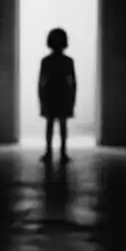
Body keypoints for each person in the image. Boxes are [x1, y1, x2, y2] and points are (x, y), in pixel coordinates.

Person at [38, 26, 77, 164]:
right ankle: (63, 153)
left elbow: (42, 82)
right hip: (63, 96)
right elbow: (72, 83)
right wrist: (72, 99)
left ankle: (49, 152)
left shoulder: (46, 61)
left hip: (50, 96)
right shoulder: (68, 61)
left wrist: (41, 98)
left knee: (50, 125)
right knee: (62, 125)